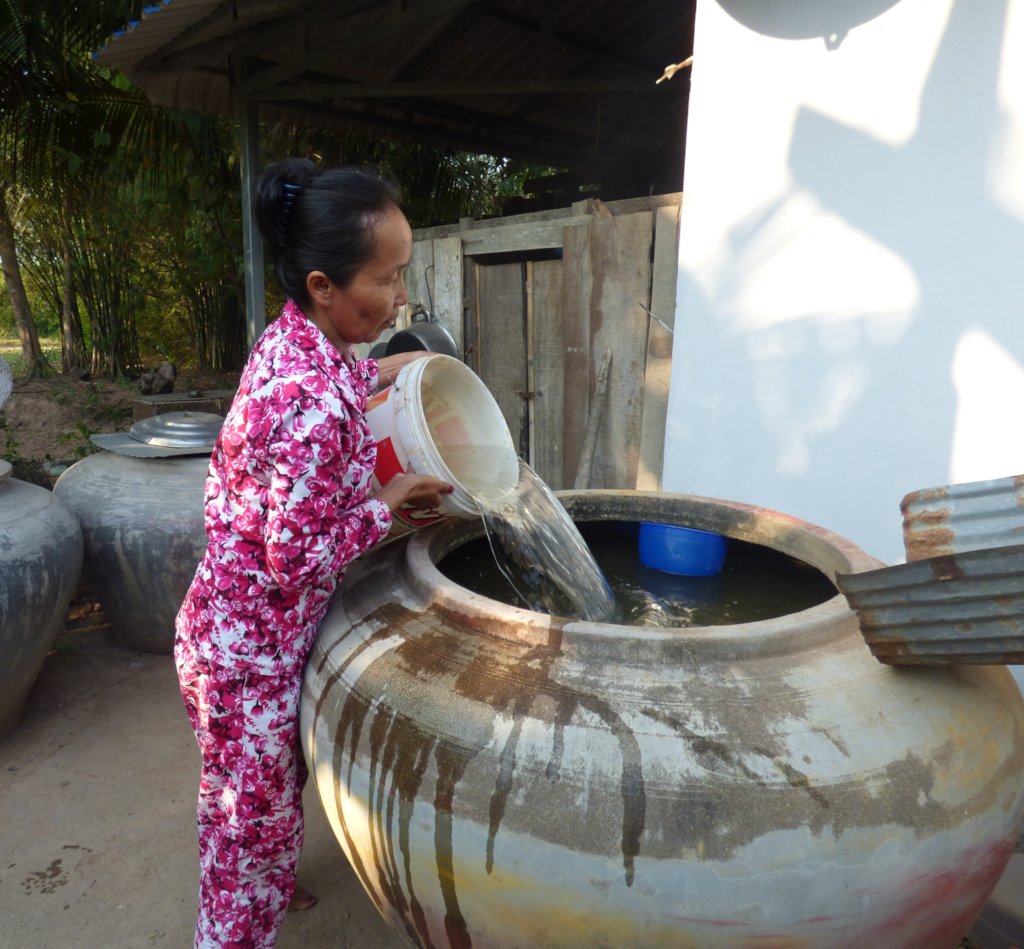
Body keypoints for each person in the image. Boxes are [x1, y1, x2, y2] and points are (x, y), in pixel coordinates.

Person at [174, 157, 452, 949]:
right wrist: (388, 503)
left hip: (237, 633)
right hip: (245, 659)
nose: (399, 296)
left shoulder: (298, 340)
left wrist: (388, 368)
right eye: (387, 279)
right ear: (325, 284)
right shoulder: (313, 403)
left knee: (254, 799)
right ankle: (240, 910)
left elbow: (332, 386)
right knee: (246, 829)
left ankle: (261, 859)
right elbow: (295, 560)